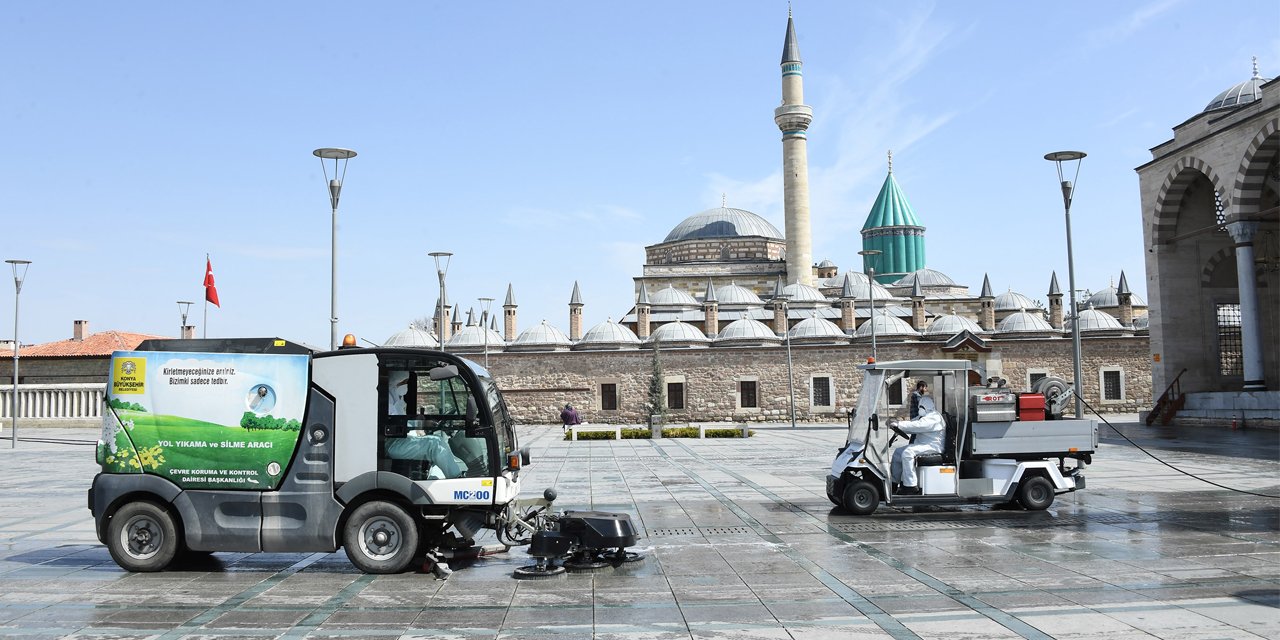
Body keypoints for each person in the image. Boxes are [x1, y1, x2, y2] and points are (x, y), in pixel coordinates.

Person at [887, 395, 945, 495]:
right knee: (897, 453)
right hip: (922, 445)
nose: (920, 409)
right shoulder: (924, 416)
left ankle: (910, 486)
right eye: (919, 407)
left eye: (922, 407)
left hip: (933, 446)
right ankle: (893, 483)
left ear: (928, 407)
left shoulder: (934, 418)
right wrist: (897, 423)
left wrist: (899, 425)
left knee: (908, 453)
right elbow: (912, 423)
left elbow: (918, 426)